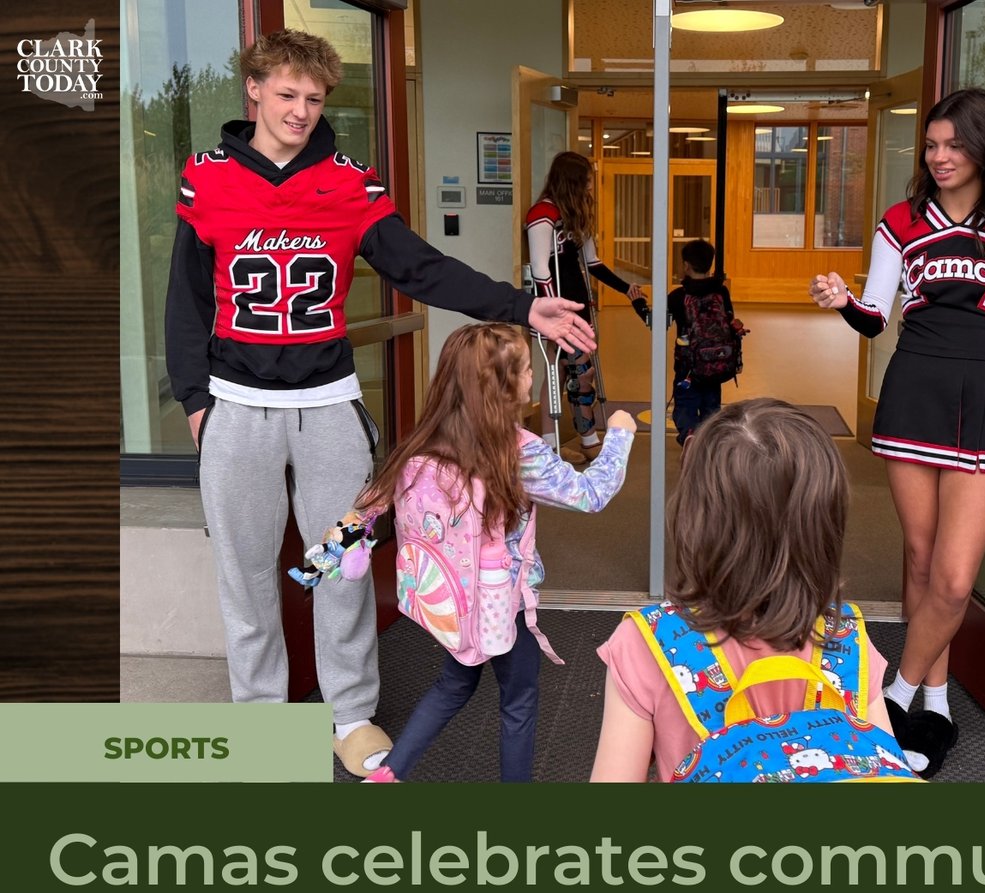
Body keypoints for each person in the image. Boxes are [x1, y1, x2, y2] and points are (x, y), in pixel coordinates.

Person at [164, 29, 596, 778]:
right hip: (236, 402)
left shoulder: (346, 180)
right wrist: (196, 401)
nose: (300, 110)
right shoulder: (207, 180)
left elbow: (420, 268)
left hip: (328, 401)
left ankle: (351, 714)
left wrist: (522, 308)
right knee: (244, 572)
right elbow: (186, 301)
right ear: (255, 91)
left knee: (340, 560)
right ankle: (260, 723)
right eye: (288, 94)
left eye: (314, 98)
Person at [809, 87, 985, 778]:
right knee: (919, 562)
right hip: (914, 389)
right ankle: (937, 703)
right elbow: (876, 317)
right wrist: (842, 303)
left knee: (953, 578)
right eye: (932, 144)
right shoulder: (902, 219)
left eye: (955, 144)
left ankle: (889, 700)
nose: (940, 156)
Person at [357, 323, 637, 784]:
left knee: (456, 681)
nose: (532, 377)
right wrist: (621, 435)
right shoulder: (518, 451)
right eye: (527, 369)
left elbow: (374, 503)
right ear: (504, 388)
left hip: (451, 600)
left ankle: (386, 777)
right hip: (499, 604)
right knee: (520, 700)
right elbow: (590, 494)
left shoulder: (425, 439)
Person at [590, 399, 896, 783]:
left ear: (694, 520)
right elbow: (884, 761)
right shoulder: (846, 639)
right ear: (825, 528)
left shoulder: (646, 644)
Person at [525, 151, 643, 460]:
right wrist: (556, 314)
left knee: (561, 373)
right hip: (557, 309)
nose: (590, 187)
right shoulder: (543, 214)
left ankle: (554, 445)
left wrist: (625, 288)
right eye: (587, 181)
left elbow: (592, 262)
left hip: (577, 305)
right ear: (573, 181)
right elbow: (540, 269)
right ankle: (586, 441)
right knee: (576, 371)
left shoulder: (574, 213)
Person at [666, 238, 745, 449]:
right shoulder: (721, 292)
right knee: (711, 407)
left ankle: (690, 440)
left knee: (685, 407)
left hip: (688, 366)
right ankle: (711, 446)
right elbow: (728, 319)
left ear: (686, 265)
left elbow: (658, 323)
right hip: (716, 363)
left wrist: (638, 303)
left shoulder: (678, 296)